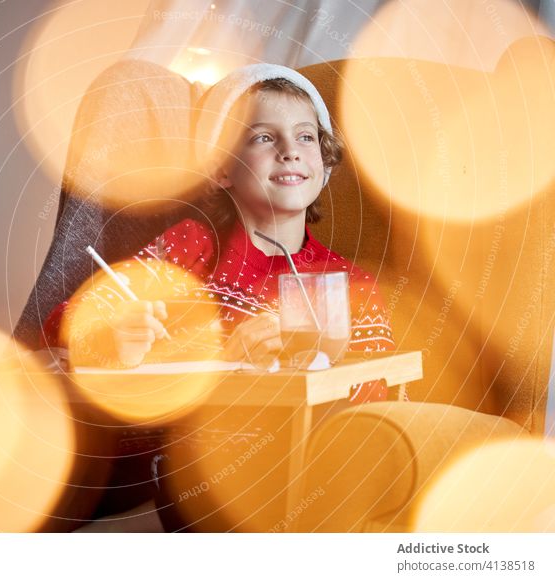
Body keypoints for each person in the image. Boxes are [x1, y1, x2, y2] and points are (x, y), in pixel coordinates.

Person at [41, 63, 395, 530]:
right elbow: (65, 323)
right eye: (263, 138)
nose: (290, 151)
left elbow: (375, 399)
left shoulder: (350, 286)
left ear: (324, 163)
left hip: (289, 473)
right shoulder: (190, 248)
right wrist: (113, 340)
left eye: (306, 137)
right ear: (222, 168)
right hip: (165, 468)